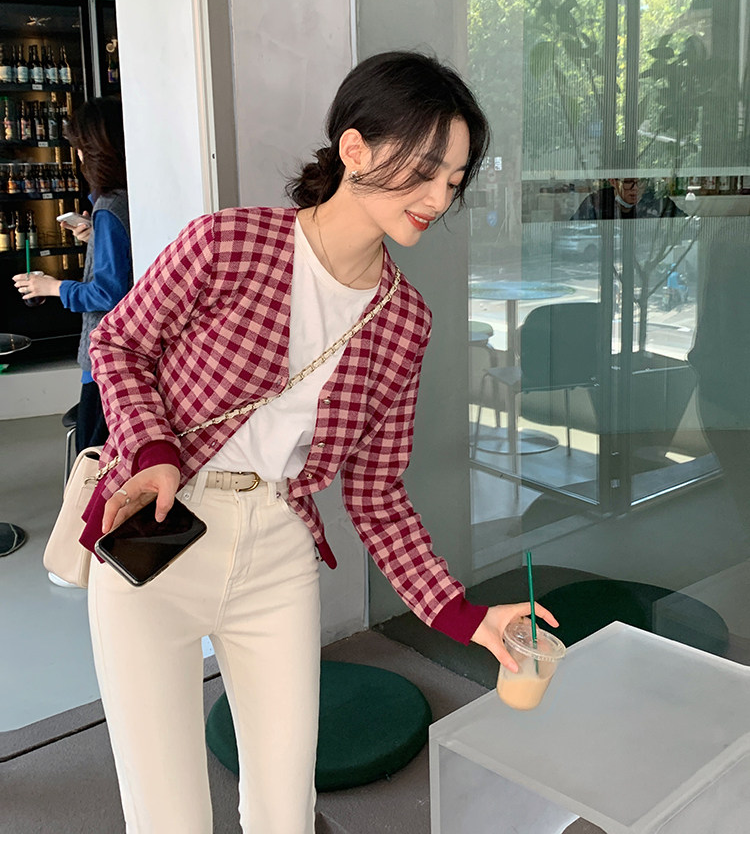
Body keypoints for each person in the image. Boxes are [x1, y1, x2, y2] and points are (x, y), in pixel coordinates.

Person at [77, 51, 558, 835]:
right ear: (354, 148)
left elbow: (376, 493)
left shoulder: (405, 320)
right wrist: (154, 450)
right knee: (167, 824)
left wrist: (466, 617)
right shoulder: (227, 244)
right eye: (425, 170)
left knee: (285, 817)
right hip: (155, 532)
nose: (440, 198)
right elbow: (120, 343)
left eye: (455, 179)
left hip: (276, 552)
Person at [13, 97, 132, 587]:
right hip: (127, 354)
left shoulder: (109, 209)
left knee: (92, 460)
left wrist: (51, 286)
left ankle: (82, 561)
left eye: (81, 147)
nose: (78, 157)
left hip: (103, 357)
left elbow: (109, 292)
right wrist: (93, 238)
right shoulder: (126, 202)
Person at [571, 175, 685, 220]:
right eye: (628, 182)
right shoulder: (597, 201)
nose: (635, 188)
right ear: (613, 182)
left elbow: (683, 221)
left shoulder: (655, 200)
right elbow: (575, 228)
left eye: (640, 182)